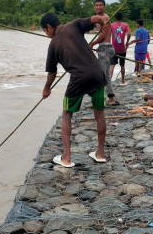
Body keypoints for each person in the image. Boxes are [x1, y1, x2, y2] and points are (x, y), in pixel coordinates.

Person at [41, 13, 108, 167]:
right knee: (99, 112)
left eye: (45, 32)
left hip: (78, 78)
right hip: (98, 74)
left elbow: (52, 73)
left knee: (66, 113)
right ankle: (100, 154)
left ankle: (66, 157)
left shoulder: (53, 45)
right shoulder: (74, 24)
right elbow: (97, 19)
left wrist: (46, 89)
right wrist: (103, 24)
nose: (47, 35)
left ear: (49, 27)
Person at [88, 0, 118, 106]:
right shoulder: (97, 18)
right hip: (104, 47)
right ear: (94, 6)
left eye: (100, 5)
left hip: (106, 47)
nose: (98, 7)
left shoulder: (104, 18)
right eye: (96, 5)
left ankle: (104, 99)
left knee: (100, 75)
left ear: (104, 6)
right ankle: (111, 98)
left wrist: (92, 43)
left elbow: (104, 35)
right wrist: (97, 46)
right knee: (105, 74)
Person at [109, 11, 131, 85]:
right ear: (122, 17)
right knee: (122, 65)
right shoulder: (125, 25)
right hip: (122, 49)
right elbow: (129, 34)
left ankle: (109, 82)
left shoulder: (111, 25)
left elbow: (108, 34)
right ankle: (123, 81)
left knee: (112, 65)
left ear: (115, 17)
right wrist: (127, 42)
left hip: (114, 49)